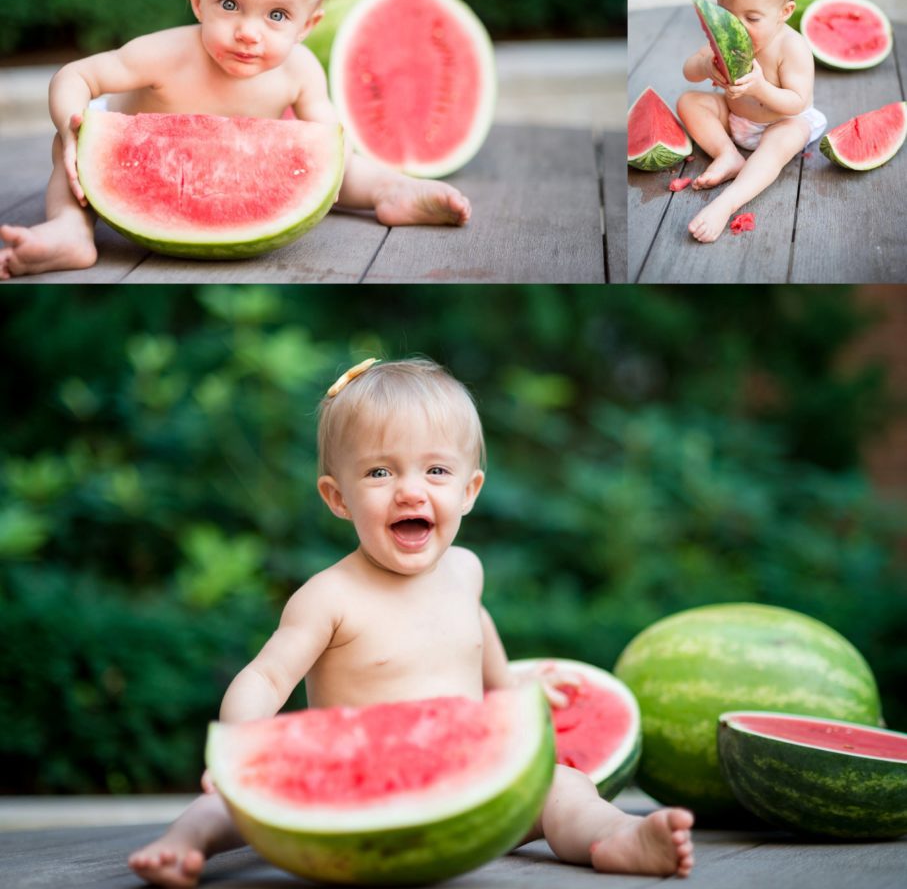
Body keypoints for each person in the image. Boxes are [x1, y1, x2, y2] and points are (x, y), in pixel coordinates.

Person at [127, 358, 695, 888]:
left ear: (468, 491)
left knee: (565, 786)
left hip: (470, 787)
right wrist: (240, 748)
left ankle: (617, 838)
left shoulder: (465, 571)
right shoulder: (328, 596)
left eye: (437, 469)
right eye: (379, 471)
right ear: (338, 497)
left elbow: (479, 630)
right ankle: (185, 843)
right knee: (230, 800)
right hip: (351, 792)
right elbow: (268, 678)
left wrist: (512, 690)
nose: (410, 490)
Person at [0, 0, 471, 280]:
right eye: (230, 3)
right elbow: (75, 76)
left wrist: (350, 176)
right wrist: (72, 122)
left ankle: (392, 191)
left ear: (309, 24)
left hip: (230, 165)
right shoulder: (167, 53)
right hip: (136, 149)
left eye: (277, 15)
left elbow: (330, 148)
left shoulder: (300, 71)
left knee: (338, 168)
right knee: (74, 142)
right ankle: (70, 229)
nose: (249, 31)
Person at [677, 0, 826, 243]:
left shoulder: (791, 47)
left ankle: (727, 202)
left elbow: (797, 102)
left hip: (782, 121)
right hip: (735, 117)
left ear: (784, 11)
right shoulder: (725, 36)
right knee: (689, 101)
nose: (738, 28)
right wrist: (706, 65)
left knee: (784, 136)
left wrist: (760, 88)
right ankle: (727, 154)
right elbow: (688, 72)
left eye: (752, 18)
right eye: (728, 15)